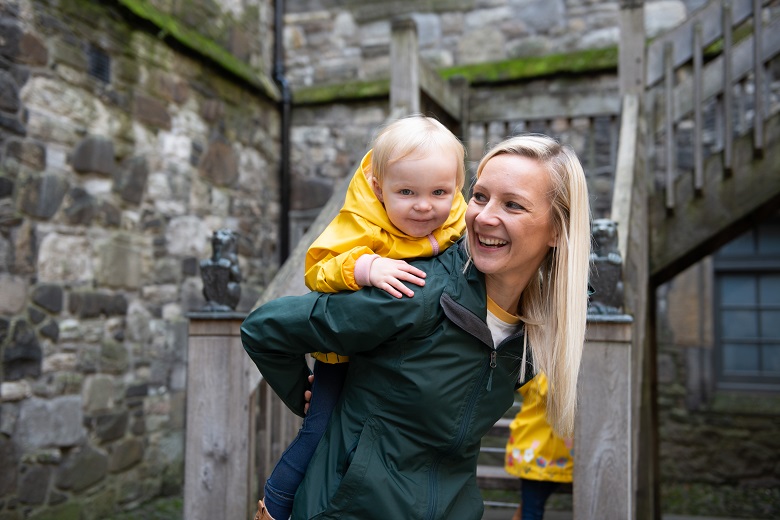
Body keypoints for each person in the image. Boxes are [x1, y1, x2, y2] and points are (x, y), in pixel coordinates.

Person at [242, 133, 592, 520]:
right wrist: (305, 399)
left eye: (512, 204)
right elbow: (265, 328)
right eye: (479, 196)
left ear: (558, 229)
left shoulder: (534, 334)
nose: (485, 216)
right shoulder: (414, 293)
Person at [260, 115, 468, 520]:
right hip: (342, 355)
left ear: (457, 187)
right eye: (406, 191)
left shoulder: (459, 219)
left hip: (402, 355)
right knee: (318, 431)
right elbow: (318, 267)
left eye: (439, 191)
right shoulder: (361, 221)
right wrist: (366, 267)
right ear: (379, 188)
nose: (424, 205)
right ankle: (275, 506)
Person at [504, 373, 573, 520]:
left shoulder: (538, 371)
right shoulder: (555, 373)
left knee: (531, 508)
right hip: (544, 455)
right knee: (531, 508)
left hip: (539, 454)